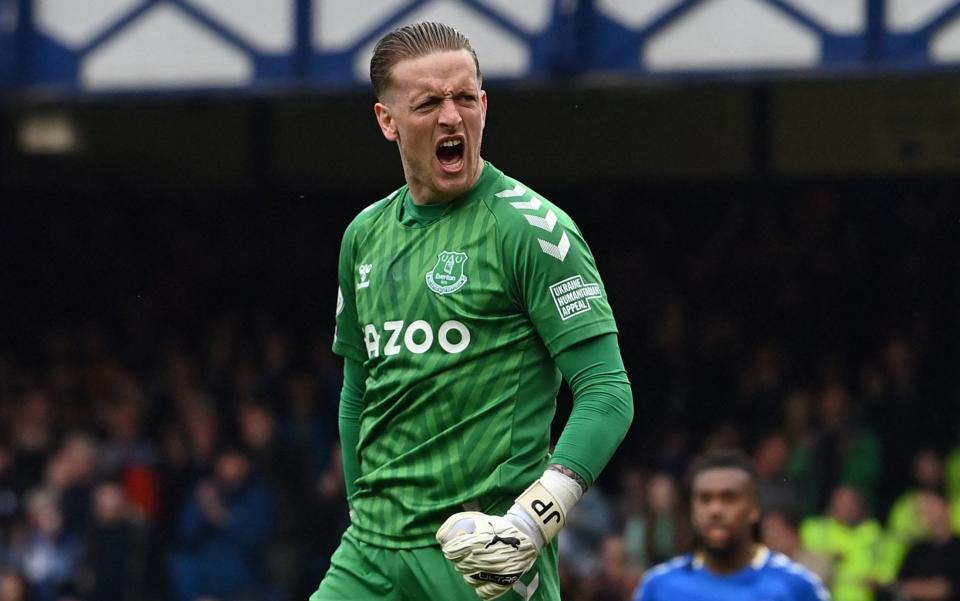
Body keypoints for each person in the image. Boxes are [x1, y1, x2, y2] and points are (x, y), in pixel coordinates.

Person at [311, 21, 633, 601]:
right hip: (370, 554)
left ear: (484, 104)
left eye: (464, 97)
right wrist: (362, 511)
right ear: (387, 121)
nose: (451, 117)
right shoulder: (363, 235)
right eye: (428, 102)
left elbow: (608, 392)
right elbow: (357, 389)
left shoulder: (532, 230)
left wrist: (531, 523)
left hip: (481, 559)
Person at [634, 450, 830, 601]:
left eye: (729, 498)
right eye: (705, 499)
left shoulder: (796, 587)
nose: (715, 510)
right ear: (693, 509)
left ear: (754, 508)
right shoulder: (659, 586)